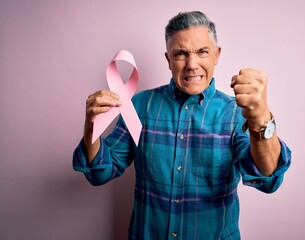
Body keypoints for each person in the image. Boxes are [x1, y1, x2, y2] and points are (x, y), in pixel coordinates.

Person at [73, 11, 291, 239]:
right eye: (181, 54)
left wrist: (261, 119)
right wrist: (92, 129)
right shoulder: (139, 106)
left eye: (202, 52)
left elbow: (268, 180)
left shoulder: (236, 113)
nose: (192, 64)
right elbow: (101, 173)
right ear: (168, 60)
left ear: (216, 55)